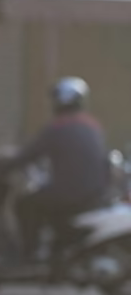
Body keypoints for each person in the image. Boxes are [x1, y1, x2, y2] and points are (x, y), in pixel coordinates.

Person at [8, 77, 108, 272]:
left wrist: (3, 163)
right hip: (95, 195)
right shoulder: (93, 126)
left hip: (67, 195)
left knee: (24, 204)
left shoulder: (57, 128)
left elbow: (27, 156)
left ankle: (30, 253)